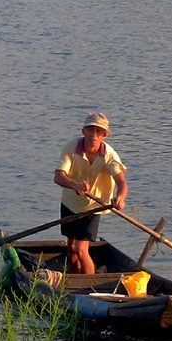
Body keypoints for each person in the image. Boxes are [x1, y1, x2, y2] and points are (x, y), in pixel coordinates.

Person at [53, 112, 129, 274]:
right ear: (84, 132)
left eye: (98, 132)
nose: (94, 135)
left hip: (94, 207)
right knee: (72, 247)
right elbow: (58, 177)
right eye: (91, 130)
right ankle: (76, 280)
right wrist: (74, 185)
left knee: (81, 248)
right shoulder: (71, 147)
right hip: (70, 202)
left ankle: (89, 285)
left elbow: (121, 183)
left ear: (104, 136)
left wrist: (120, 198)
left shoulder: (109, 155)